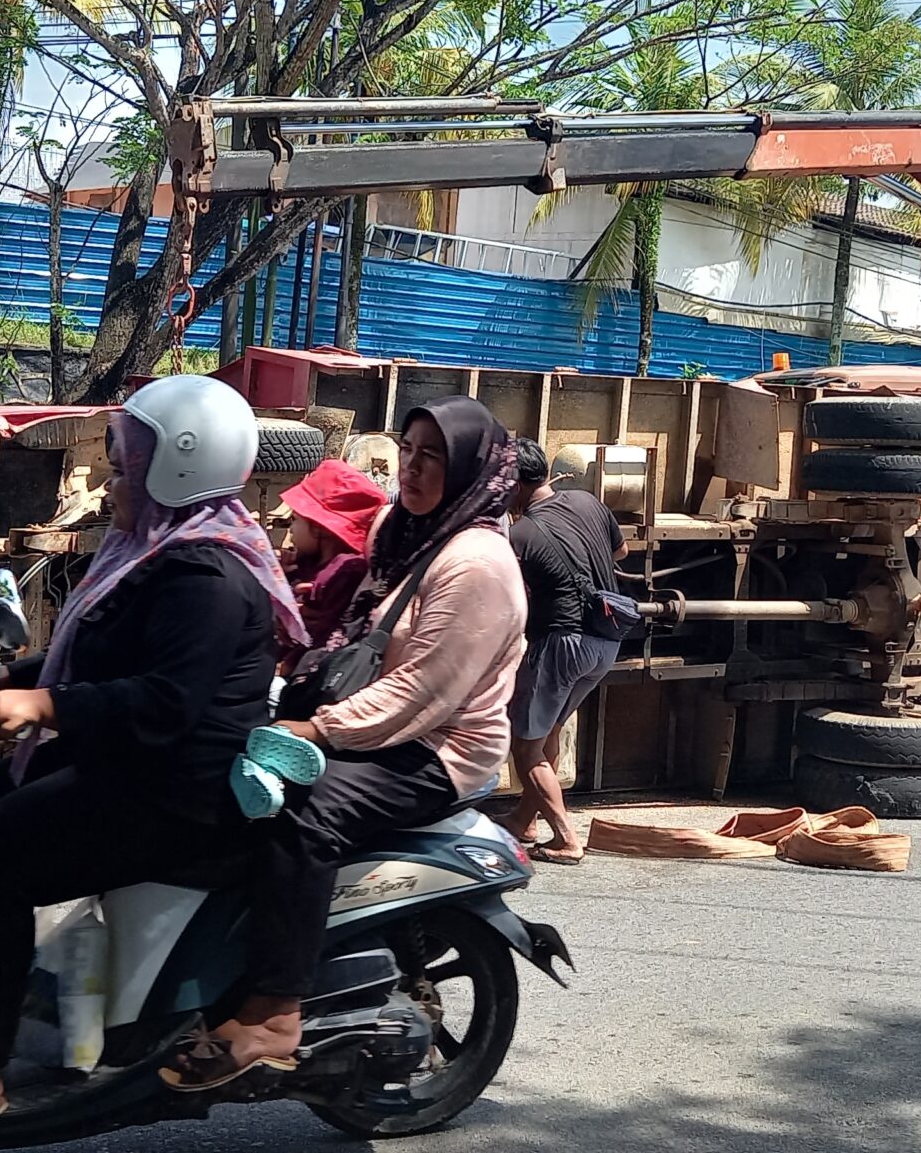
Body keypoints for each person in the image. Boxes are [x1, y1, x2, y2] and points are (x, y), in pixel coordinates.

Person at [0, 375, 304, 1150]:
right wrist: (8, 678)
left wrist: (44, 708)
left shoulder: (207, 575)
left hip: (183, 792)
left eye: (127, 466)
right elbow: (96, 656)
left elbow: (163, 702)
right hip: (135, 764)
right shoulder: (151, 549)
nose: (112, 482)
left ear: (177, 467)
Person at [169, 396, 526, 1093]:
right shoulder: (404, 527)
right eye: (408, 450)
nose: (412, 468)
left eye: (433, 456)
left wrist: (315, 729)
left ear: (469, 470)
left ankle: (275, 1011)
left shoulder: (477, 563)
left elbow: (422, 693)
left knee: (301, 815)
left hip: (437, 748)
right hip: (366, 720)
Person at [497, 437, 627, 864]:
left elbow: (505, 591)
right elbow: (621, 550)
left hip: (560, 644)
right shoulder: (588, 501)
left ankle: (567, 838)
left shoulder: (521, 533)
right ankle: (524, 820)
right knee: (548, 731)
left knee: (525, 747)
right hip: (606, 642)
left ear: (514, 485)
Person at [277, 458, 389, 657]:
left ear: (318, 528)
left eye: (294, 520)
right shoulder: (307, 562)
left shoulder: (345, 573)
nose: (291, 529)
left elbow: (320, 636)